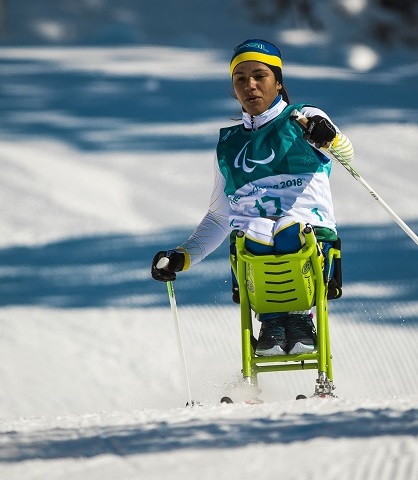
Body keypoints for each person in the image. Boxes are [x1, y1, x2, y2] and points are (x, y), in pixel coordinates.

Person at [151, 39, 355, 357]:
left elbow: (346, 153)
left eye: (260, 75)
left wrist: (328, 137)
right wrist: (183, 256)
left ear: (278, 81)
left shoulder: (302, 119)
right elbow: (220, 217)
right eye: (240, 79)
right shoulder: (229, 146)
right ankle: (274, 325)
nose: (251, 85)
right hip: (252, 253)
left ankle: (299, 321)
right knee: (255, 231)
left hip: (312, 241)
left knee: (287, 229)